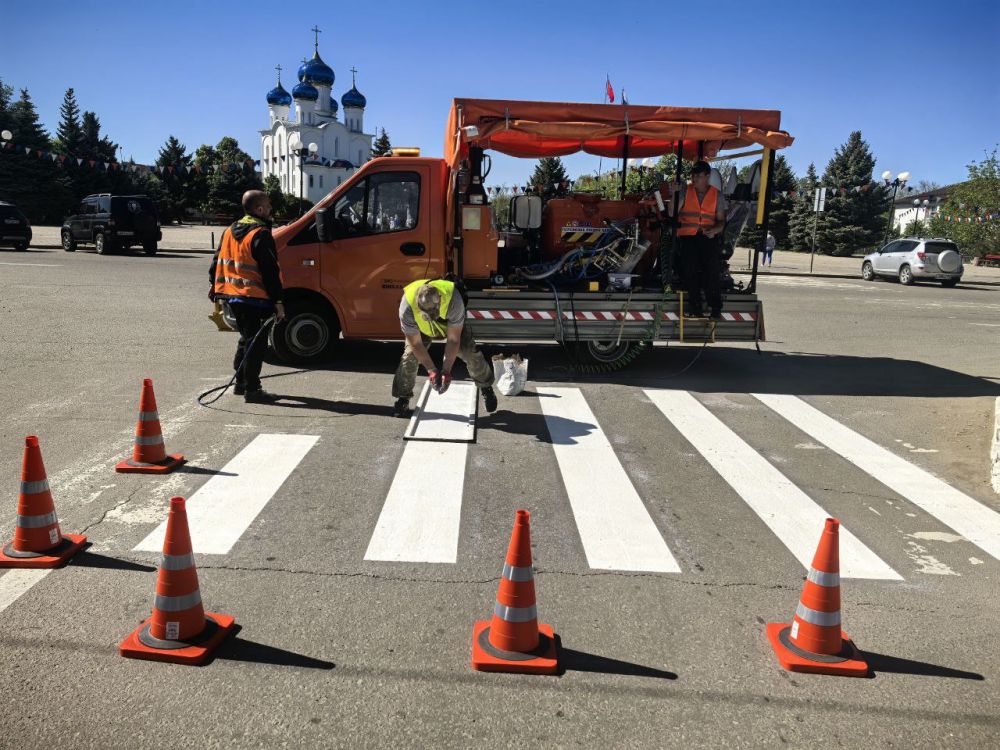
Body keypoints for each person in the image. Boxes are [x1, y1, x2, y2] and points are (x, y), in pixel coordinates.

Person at [209, 190, 285, 404]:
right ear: (259, 209)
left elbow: (216, 262)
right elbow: (270, 272)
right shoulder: (260, 234)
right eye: (268, 206)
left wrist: (213, 289)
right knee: (256, 344)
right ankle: (253, 389)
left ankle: (240, 383)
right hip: (256, 298)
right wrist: (278, 301)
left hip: (233, 297)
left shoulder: (229, 231)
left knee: (246, 339)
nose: (271, 210)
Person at [392, 278, 497, 417]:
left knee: (469, 352)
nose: (431, 316)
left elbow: (453, 340)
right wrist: (432, 370)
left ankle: (486, 387)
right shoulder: (407, 307)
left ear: (440, 299)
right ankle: (403, 398)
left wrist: (446, 370)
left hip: (450, 326)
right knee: (410, 356)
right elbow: (416, 344)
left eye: (434, 312)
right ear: (418, 304)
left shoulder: (454, 300)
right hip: (422, 328)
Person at [669, 161, 727, 319]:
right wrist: (674, 194)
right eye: (693, 176)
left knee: (712, 271)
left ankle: (715, 308)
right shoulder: (684, 190)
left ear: (707, 176)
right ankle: (695, 307)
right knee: (690, 271)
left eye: (698, 176)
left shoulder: (717, 194)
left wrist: (714, 230)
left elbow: (721, 221)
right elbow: (671, 213)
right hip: (688, 236)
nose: (694, 179)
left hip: (708, 237)